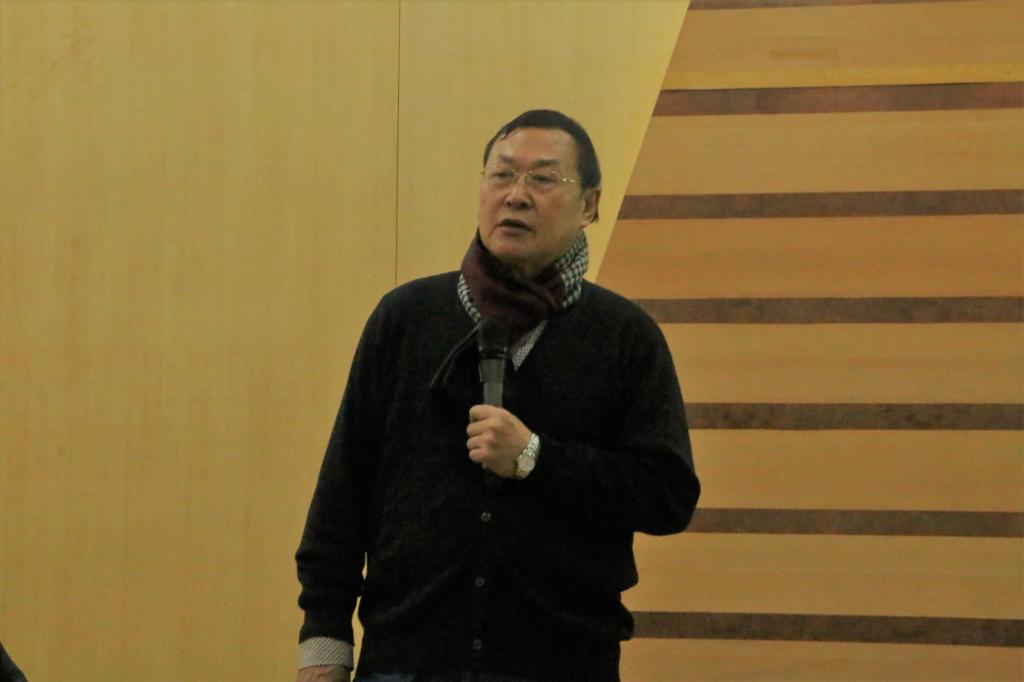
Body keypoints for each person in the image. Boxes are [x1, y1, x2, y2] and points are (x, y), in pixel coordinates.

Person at [295, 109, 700, 682]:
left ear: (590, 205)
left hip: (561, 664)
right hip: (406, 660)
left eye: (543, 178)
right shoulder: (407, 319)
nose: (516, 195)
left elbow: (667, 496)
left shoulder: (624, 337)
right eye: (502, 174)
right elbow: (344, 490)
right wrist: (324, 641)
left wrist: (537, 458)